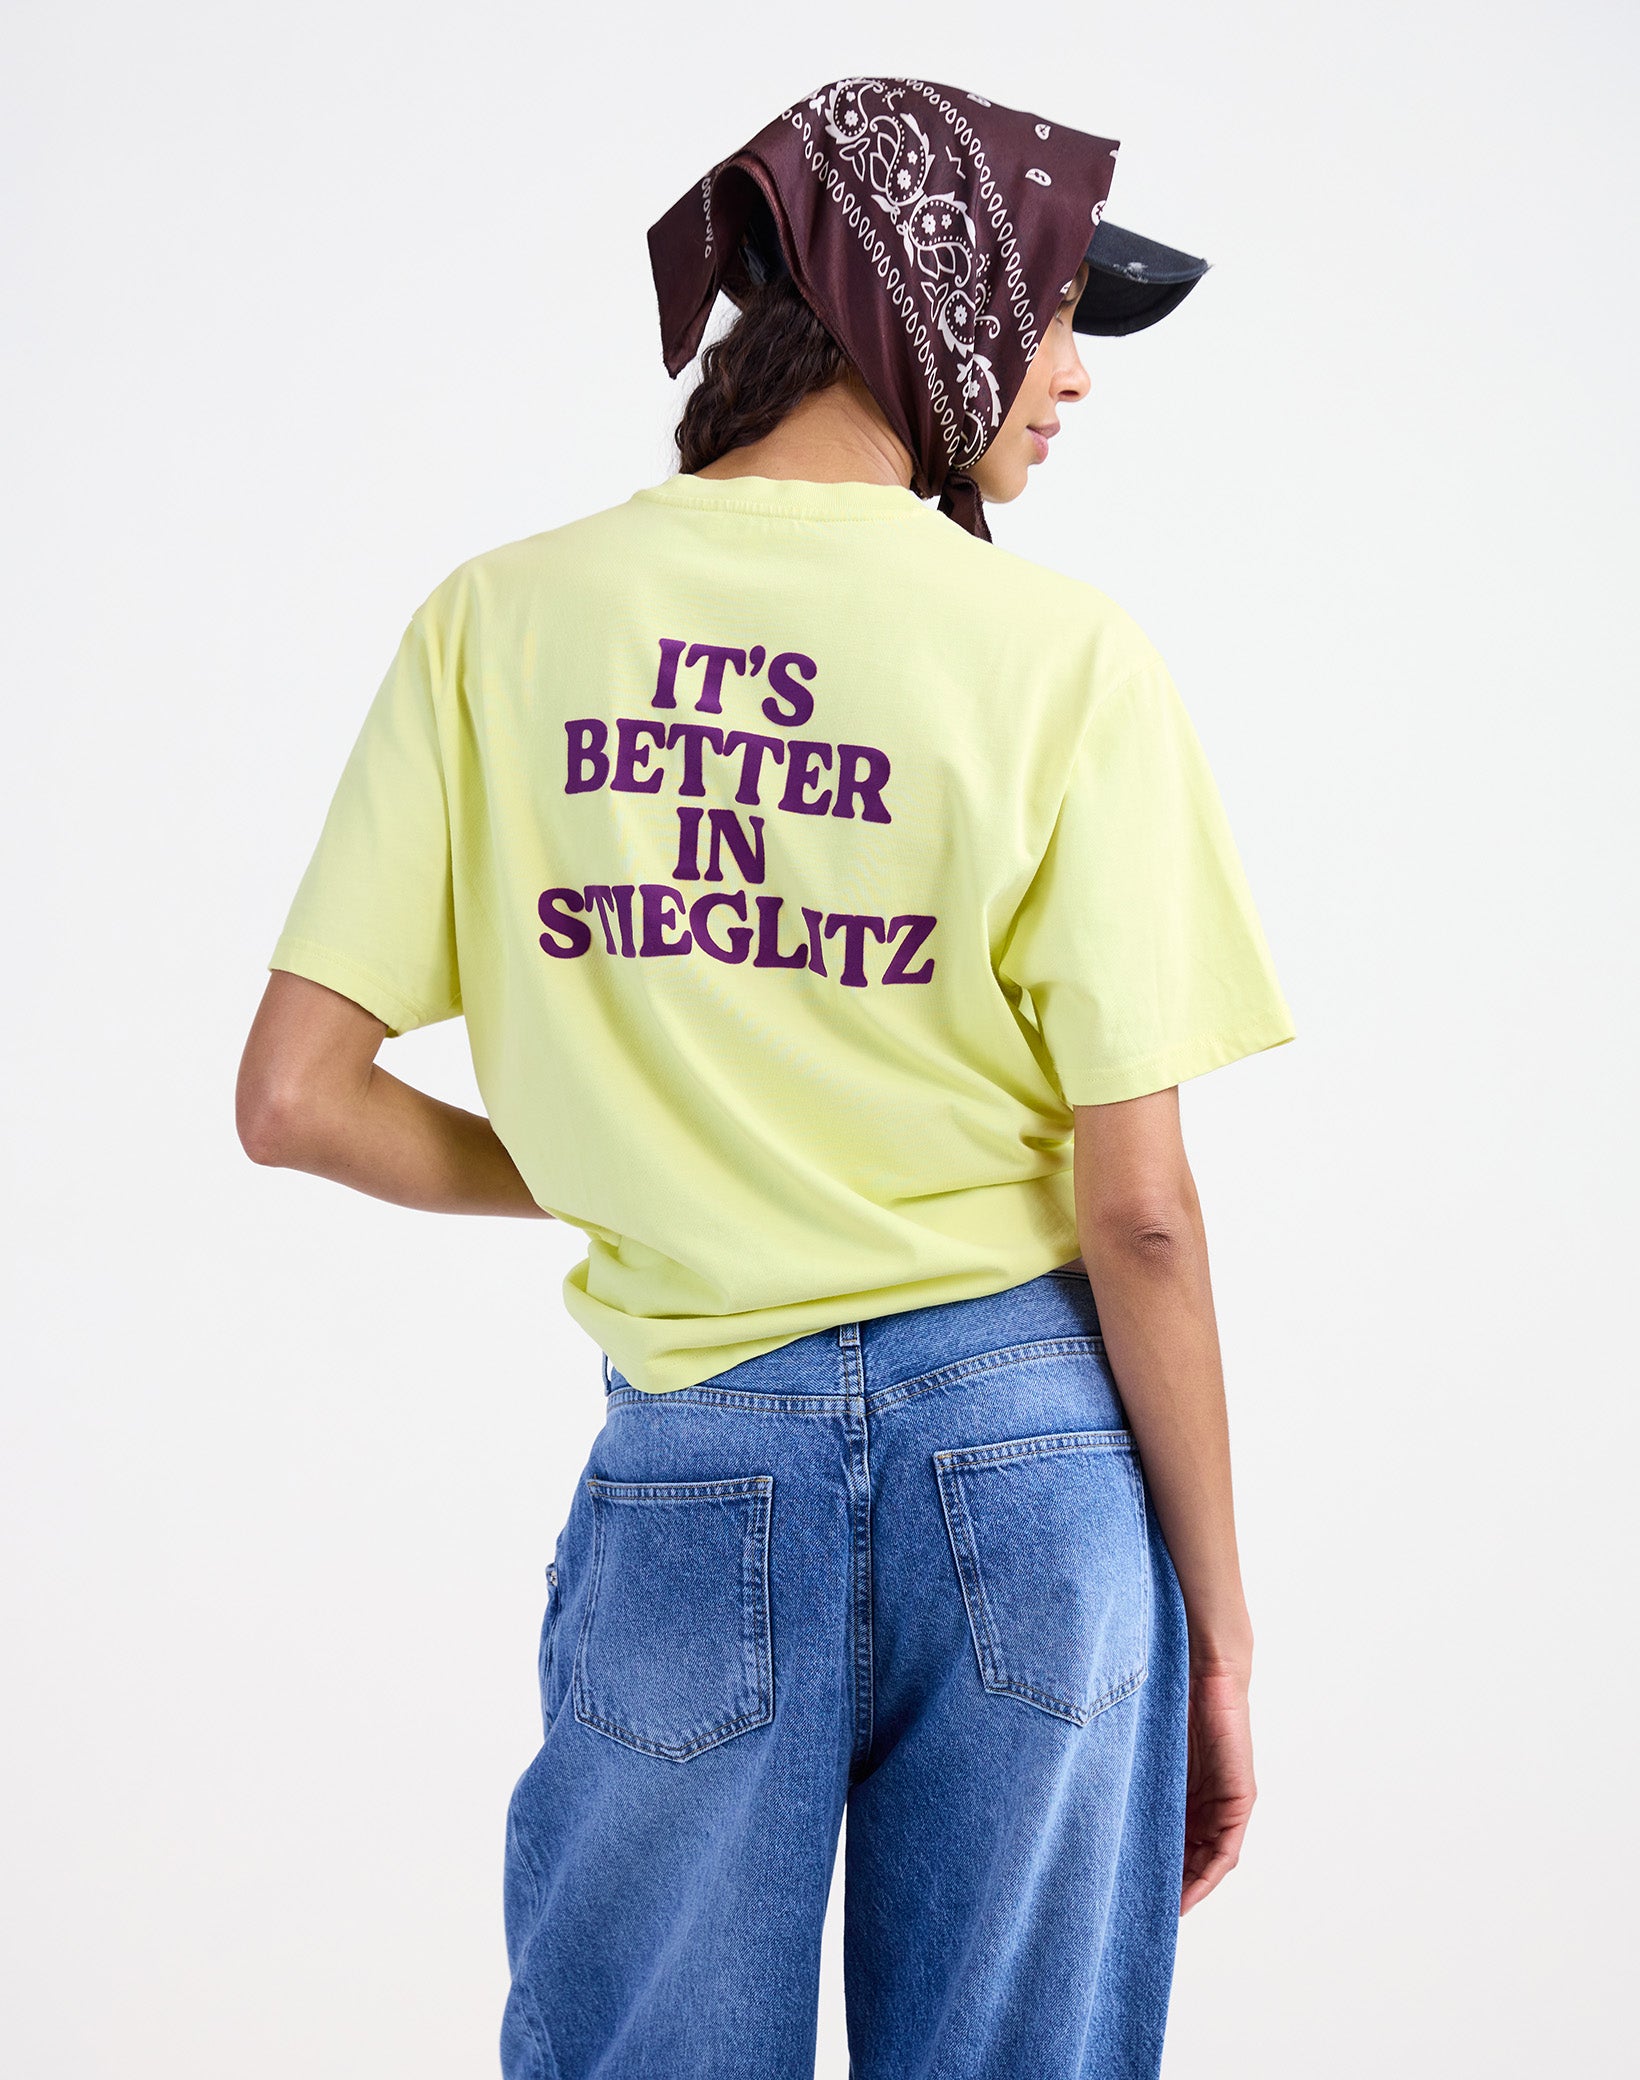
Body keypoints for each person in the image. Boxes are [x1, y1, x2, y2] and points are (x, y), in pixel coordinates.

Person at [237, 75, 1294, 2080]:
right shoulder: (1062, 656)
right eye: (1059, 315)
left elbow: (295, 1097)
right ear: (927, 303)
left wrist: (658, 1149)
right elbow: (1142, 1210)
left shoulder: (497, 620)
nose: (1077, 376)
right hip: (1031, 1467)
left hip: (698, 1463)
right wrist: (1222, 1634)